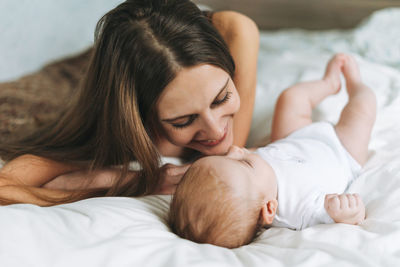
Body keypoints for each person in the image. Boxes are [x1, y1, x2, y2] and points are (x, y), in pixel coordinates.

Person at [0, 0, 259, 205]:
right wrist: (138, 182)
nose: (215, 130)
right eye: (183, 120)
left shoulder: (236, 32)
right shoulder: (120, 125)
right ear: (141, 115)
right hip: (77, 77)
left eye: (222, 98)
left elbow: (229, 158)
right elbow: (4, 188)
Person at [169, 54, 377, 248]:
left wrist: (249, 159)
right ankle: (356, 84)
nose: (236, 150)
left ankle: (328, 83)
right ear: (269, 209)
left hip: (291, 139)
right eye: (243, 162)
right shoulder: (298, 211)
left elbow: (242, 160)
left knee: (290, 98)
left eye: (226, 157)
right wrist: (346, 212)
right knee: (364, 107)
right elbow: (350, 216)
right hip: (340, 152)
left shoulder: (248, 179)